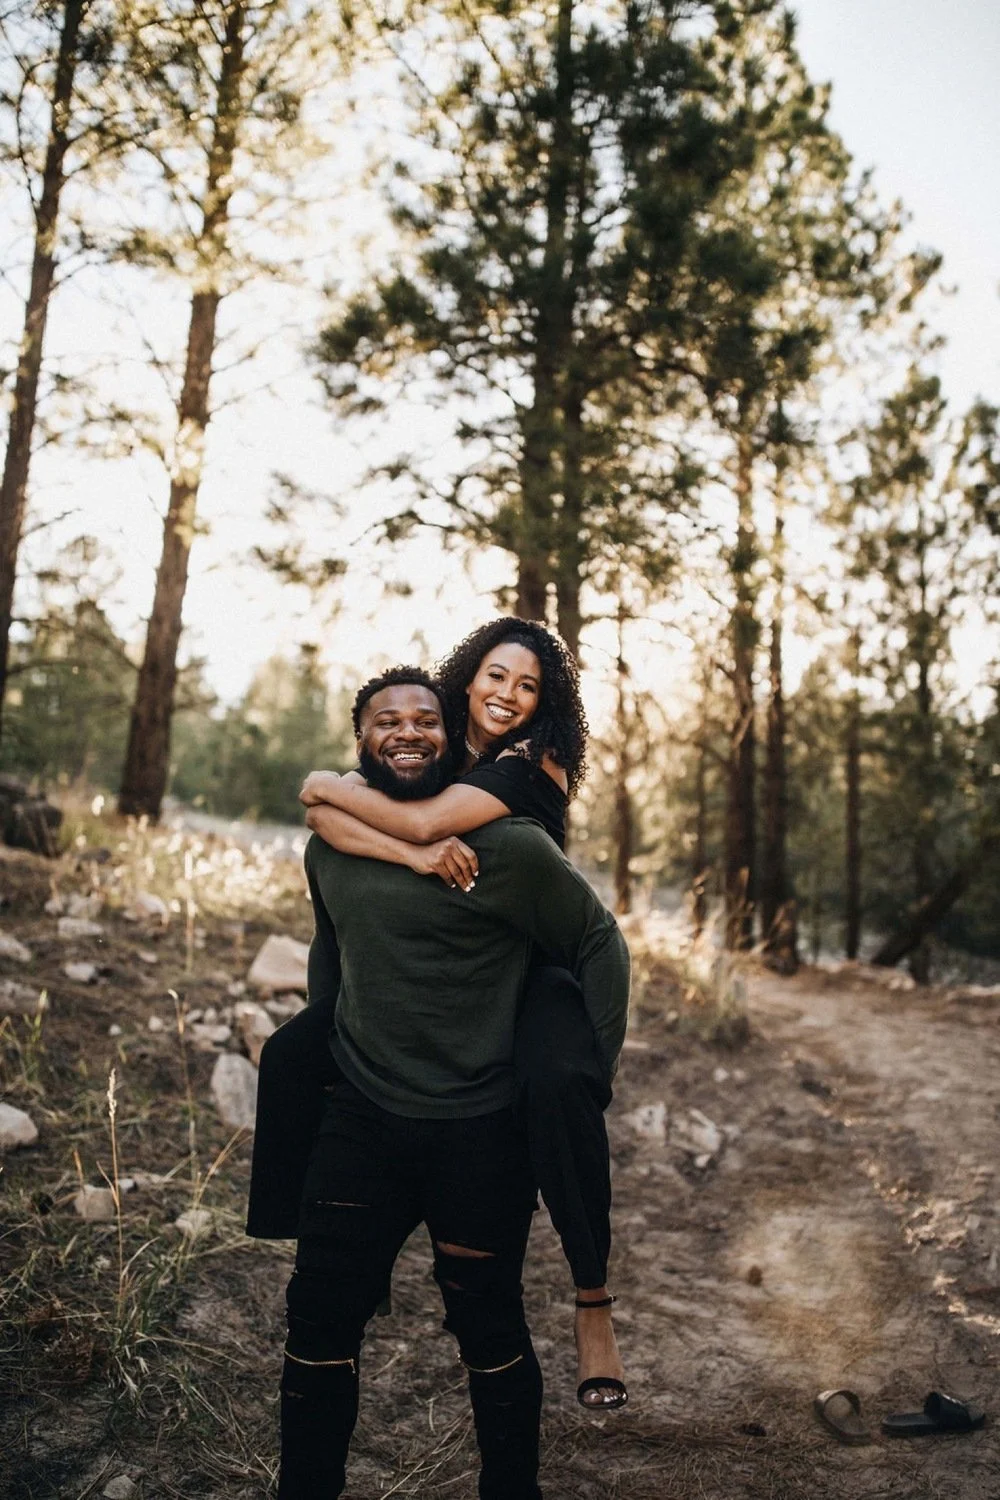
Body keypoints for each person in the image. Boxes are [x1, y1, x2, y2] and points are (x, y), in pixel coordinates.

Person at [276, 668, 629, 1499]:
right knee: (319, 1320)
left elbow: (597, 941)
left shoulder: (506, 847)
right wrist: (326, 1042)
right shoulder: (332, 845)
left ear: (454, 735)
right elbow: (330, 949)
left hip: (479, 1131)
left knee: (488, 1325)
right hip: (361, 1118)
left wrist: (587, 1073)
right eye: (386, 721)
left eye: (425, 719)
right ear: (360, 740)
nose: (407, 732)